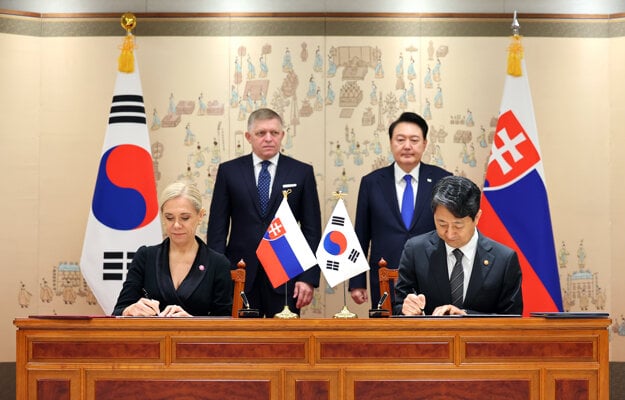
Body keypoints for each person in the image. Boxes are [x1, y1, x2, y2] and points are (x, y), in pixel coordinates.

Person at [207, 108, 321, 317]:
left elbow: (312, 230)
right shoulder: (229, 171)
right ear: (249, 137)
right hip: (240, 273)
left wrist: (308, 277)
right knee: (242, 345)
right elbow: (217, 229)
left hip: (286, 272)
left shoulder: (301, 172)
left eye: (274, 133)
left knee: (286, 345)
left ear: (282, 135)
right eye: (261, 133)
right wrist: (217, 275)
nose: (268, 138)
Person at [349, 112, 451, 308]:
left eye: (414, 140)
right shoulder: (372, 182)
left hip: (434, 276)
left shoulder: (443, 180)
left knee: (433, 335)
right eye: (400, 139)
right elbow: (360, 235)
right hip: (384, 277)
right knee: (386, 335)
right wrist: (357, 282)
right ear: (390, 142)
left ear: (424, 144)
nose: (407, 146)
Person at [394, 175, 523, 316]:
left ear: (477, 218)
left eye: (458, 225)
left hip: (480, 338)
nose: (449, 234)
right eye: (442, 224)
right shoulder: (415, 250)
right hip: (431, 337)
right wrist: (406, 309)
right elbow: (397, 306)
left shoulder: (504, 259)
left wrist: (466, 316)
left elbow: (512, 318)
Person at [112, 182, 233, 317]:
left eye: (185, 218)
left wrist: (192, 323)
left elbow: (225, 322)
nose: (176, 225)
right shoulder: (146, 257)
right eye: (169, 218)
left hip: (196, 338)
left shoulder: (218, 263)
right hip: (151, 336)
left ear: (200, 216)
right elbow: (118, 311)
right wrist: (129, 310)